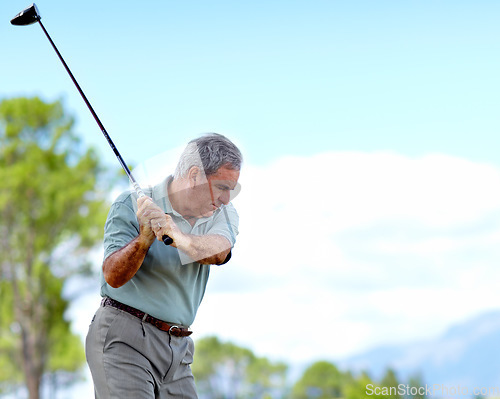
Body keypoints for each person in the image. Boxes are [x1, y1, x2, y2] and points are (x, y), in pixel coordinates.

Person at [85, 133, 242, 398]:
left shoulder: (223, 214)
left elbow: (219, 251)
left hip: (178, 351)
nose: (227, 199)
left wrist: (178, 237)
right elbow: (113, 276)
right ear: (194, 176)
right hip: (124, 337)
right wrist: (144, 239)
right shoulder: (130, 205)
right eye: (223, 187)